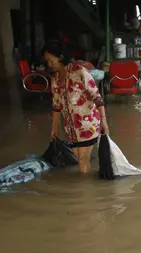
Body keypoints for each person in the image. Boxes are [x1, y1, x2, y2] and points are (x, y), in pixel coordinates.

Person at [43, 41, 110, 174]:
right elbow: (56, 106)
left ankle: (85, 191)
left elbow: (96, 97)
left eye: (51, 61)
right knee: (80, 159)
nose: (49, 65)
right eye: (47, 62)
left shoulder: (79, 72)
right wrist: (54, 128)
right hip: (70, 130)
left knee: (82, 161)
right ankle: (87, 183)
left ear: (61, 57)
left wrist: (103, 120)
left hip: (88, 125)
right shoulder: (55, 79)